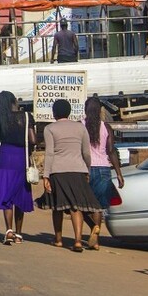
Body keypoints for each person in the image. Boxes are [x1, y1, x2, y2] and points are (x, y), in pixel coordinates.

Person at [42, 99, 101, 252]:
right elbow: (86, 153)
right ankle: (78, 241)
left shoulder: (50, 128)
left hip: (58, 171)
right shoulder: (80, 127)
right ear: (69, 112)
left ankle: (59, 239)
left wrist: (46, 175)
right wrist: (86, 169)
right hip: (78, 170)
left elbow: (49, 153)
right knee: (76, 207)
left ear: (54, 113)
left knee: (57, 207)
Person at [0, 90, 35, 245]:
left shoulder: (1, 117)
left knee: (7, 194)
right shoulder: (26, 116)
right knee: (20, 195)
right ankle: (19, 234)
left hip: (5, 157)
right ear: (15, 100)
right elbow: (33, 139)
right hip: (21, 158)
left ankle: (8, 230)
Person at [82, 97, 125, 250]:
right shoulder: (106, 127)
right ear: (100, 110)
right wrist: (119, 173)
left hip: (85, 169)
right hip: (104, 170)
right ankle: (97, 240)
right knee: (98, 206)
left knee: (80, 205)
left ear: (85, 109)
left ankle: (93, 227)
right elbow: (111, 151)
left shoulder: (81, 125)